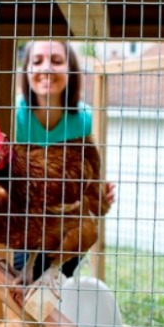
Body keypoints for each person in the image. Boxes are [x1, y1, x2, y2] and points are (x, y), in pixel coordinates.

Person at [14, 40, 116, 281]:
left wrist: (100, 198)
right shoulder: (12, 115)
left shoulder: (87, 119)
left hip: (67, 226)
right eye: (37, 61)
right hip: (24, 223)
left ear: (71, 70)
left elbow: (92, 184)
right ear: (26, 70)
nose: (47, 68)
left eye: (57, 61)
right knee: (23, 281)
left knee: (57, 283)